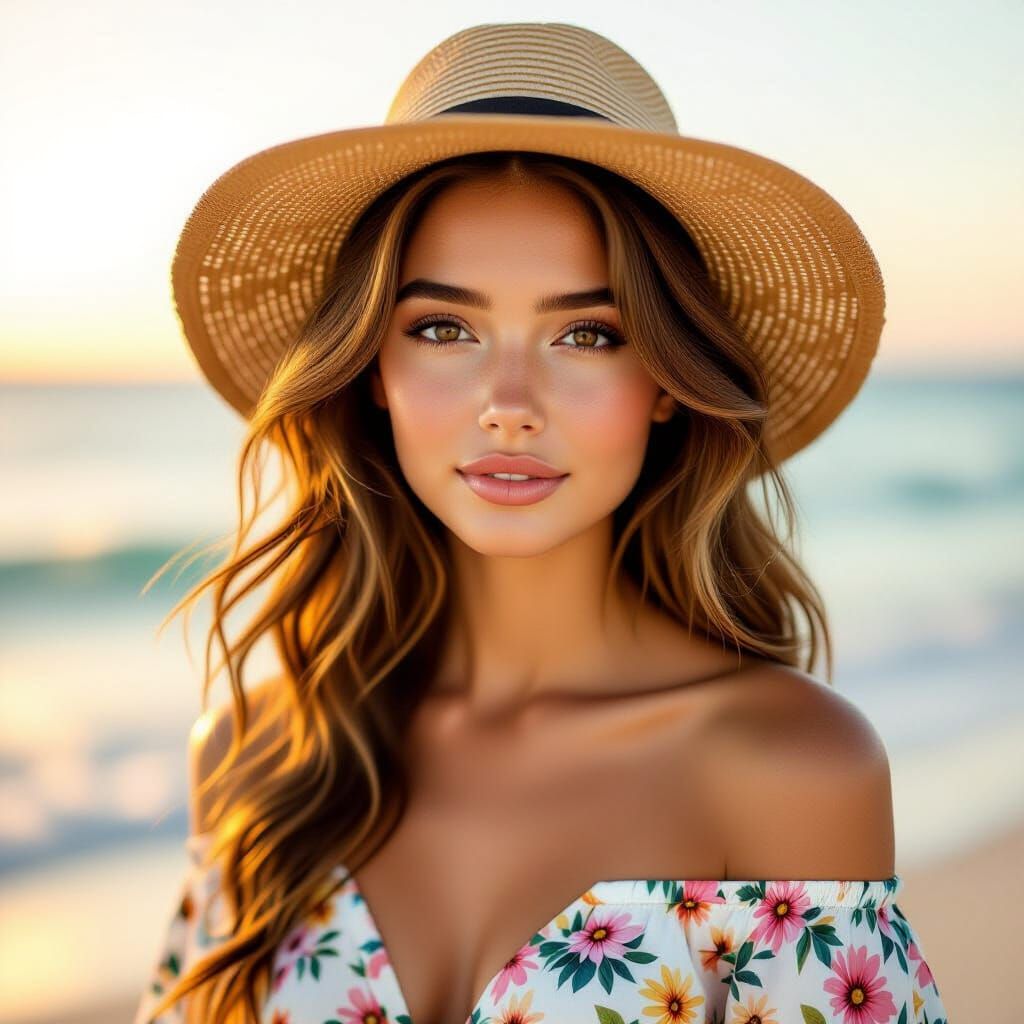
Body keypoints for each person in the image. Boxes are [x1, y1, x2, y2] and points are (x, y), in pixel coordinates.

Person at [134, 22, 949, 1024]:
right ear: (372, 373)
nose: (507, 401)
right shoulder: (260, 752)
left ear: (664, 380)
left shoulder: (785, 769)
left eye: (586, 333)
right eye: (443, 328)